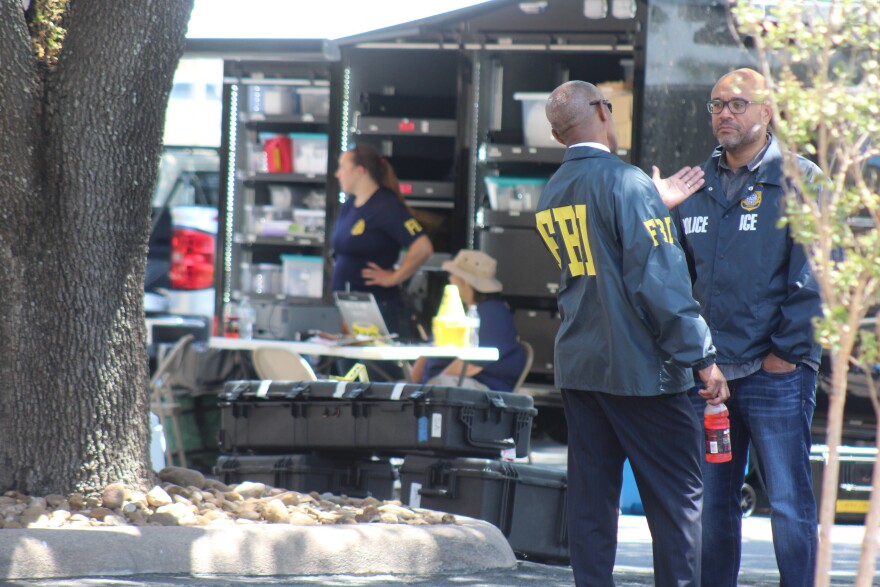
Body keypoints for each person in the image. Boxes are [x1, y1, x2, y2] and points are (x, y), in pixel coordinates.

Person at [534, 80, 729, 587]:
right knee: (677, 502)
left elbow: (598, 266)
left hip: (580, 365)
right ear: (603, 110)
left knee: (591, 501)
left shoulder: (552, 190)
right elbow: (660, 285)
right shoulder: (627, 182)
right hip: (641, 371)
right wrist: (703, 357)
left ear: (559, 137)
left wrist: (649, 203)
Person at [671, 68, 823, 587]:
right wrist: (698, 357)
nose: (725, 114)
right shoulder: (693, 184)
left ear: (767, 112)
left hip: (775, 372)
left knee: (787, 503)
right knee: (712, 507)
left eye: (737, 103)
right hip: (710, 375)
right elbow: (675, 280)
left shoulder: (800, 180)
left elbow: (817, 277)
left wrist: (784, 355)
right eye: (716, 105)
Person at [331, 143, 434, 341]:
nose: (338, 174)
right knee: (349, 370)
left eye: (342, 167)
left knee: (375, 370)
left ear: (360, 171)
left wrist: (394, 277)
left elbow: (422, 247)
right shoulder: (349, 205)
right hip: (348, 306)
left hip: (377, 307)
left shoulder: (387, 207)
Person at [409, 250, 526, 391]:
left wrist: (428, 390)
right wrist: (410, 386)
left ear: (466, 282)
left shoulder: (493, 313)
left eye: (454, 275)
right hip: (444, 387)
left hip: (475, 391)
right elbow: (430, 350)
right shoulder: (459, 309)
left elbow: (470, 365)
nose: (450, 279)